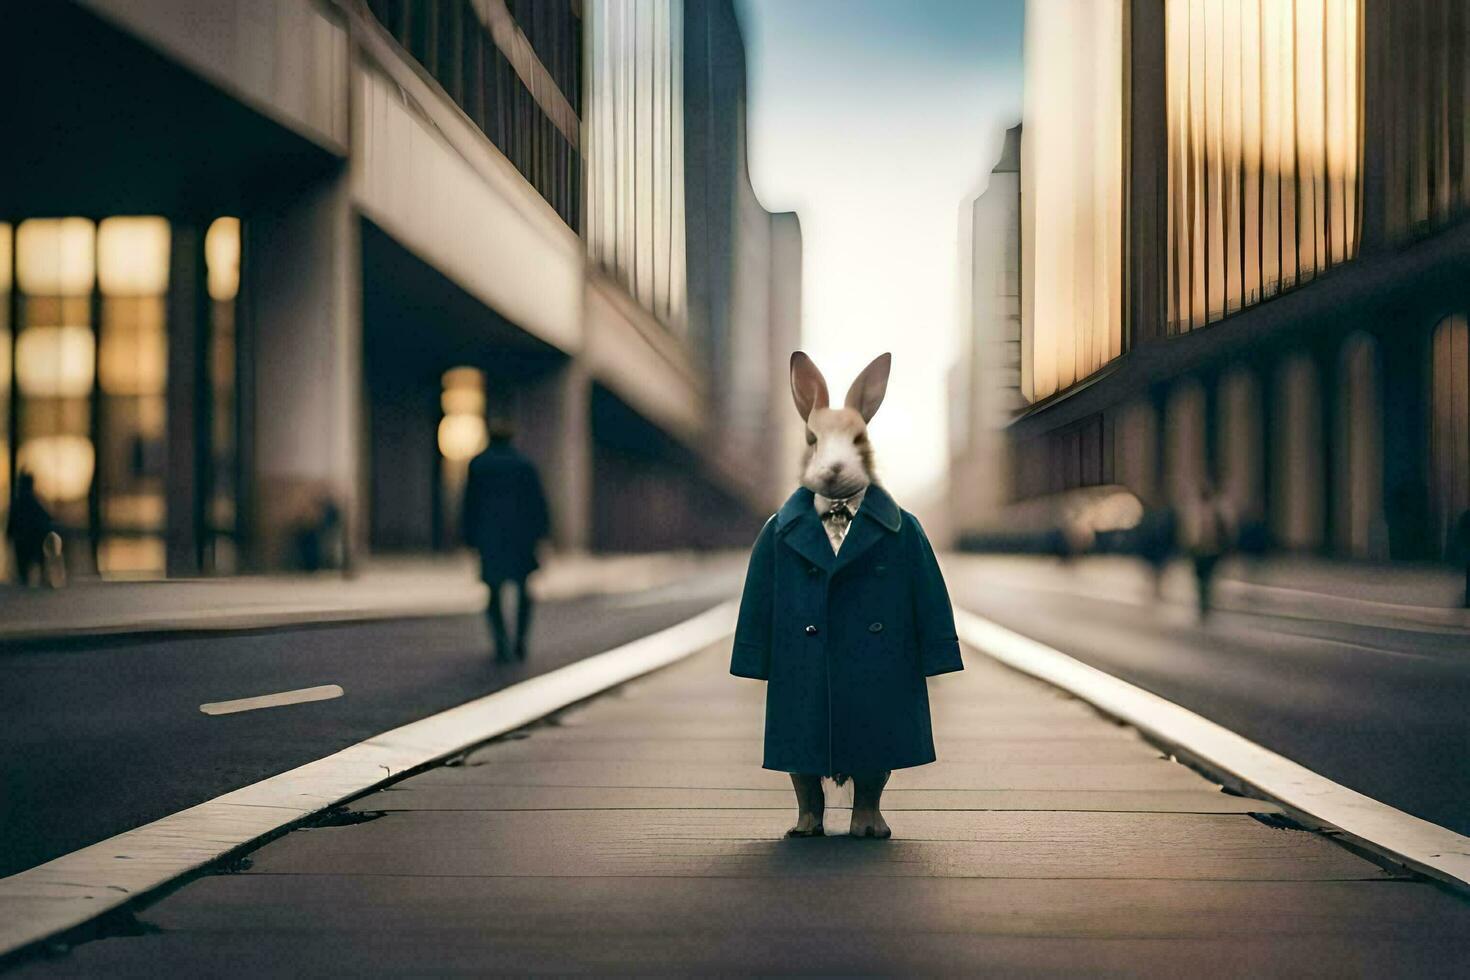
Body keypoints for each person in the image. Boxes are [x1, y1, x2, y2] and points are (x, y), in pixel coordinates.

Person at [463, 420, 550, 662]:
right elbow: (538, 502)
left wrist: (469, 537)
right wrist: (541, 534)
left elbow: (469, 504)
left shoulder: (479, 465)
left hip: (489, 536)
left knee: (493, 590)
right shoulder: (525, 464)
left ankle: (501, 643)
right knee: (524, 589)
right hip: (520, 536)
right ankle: (520, 641)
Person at [7, 471, 55, 587]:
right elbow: (46, 519)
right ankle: (40, 580)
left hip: (24, 541)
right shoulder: (34, 502)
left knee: (24, 567)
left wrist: (10, 534)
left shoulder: (19, 503)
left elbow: (12, 521)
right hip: (33, 540)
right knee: (36, 562)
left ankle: (27, 582)